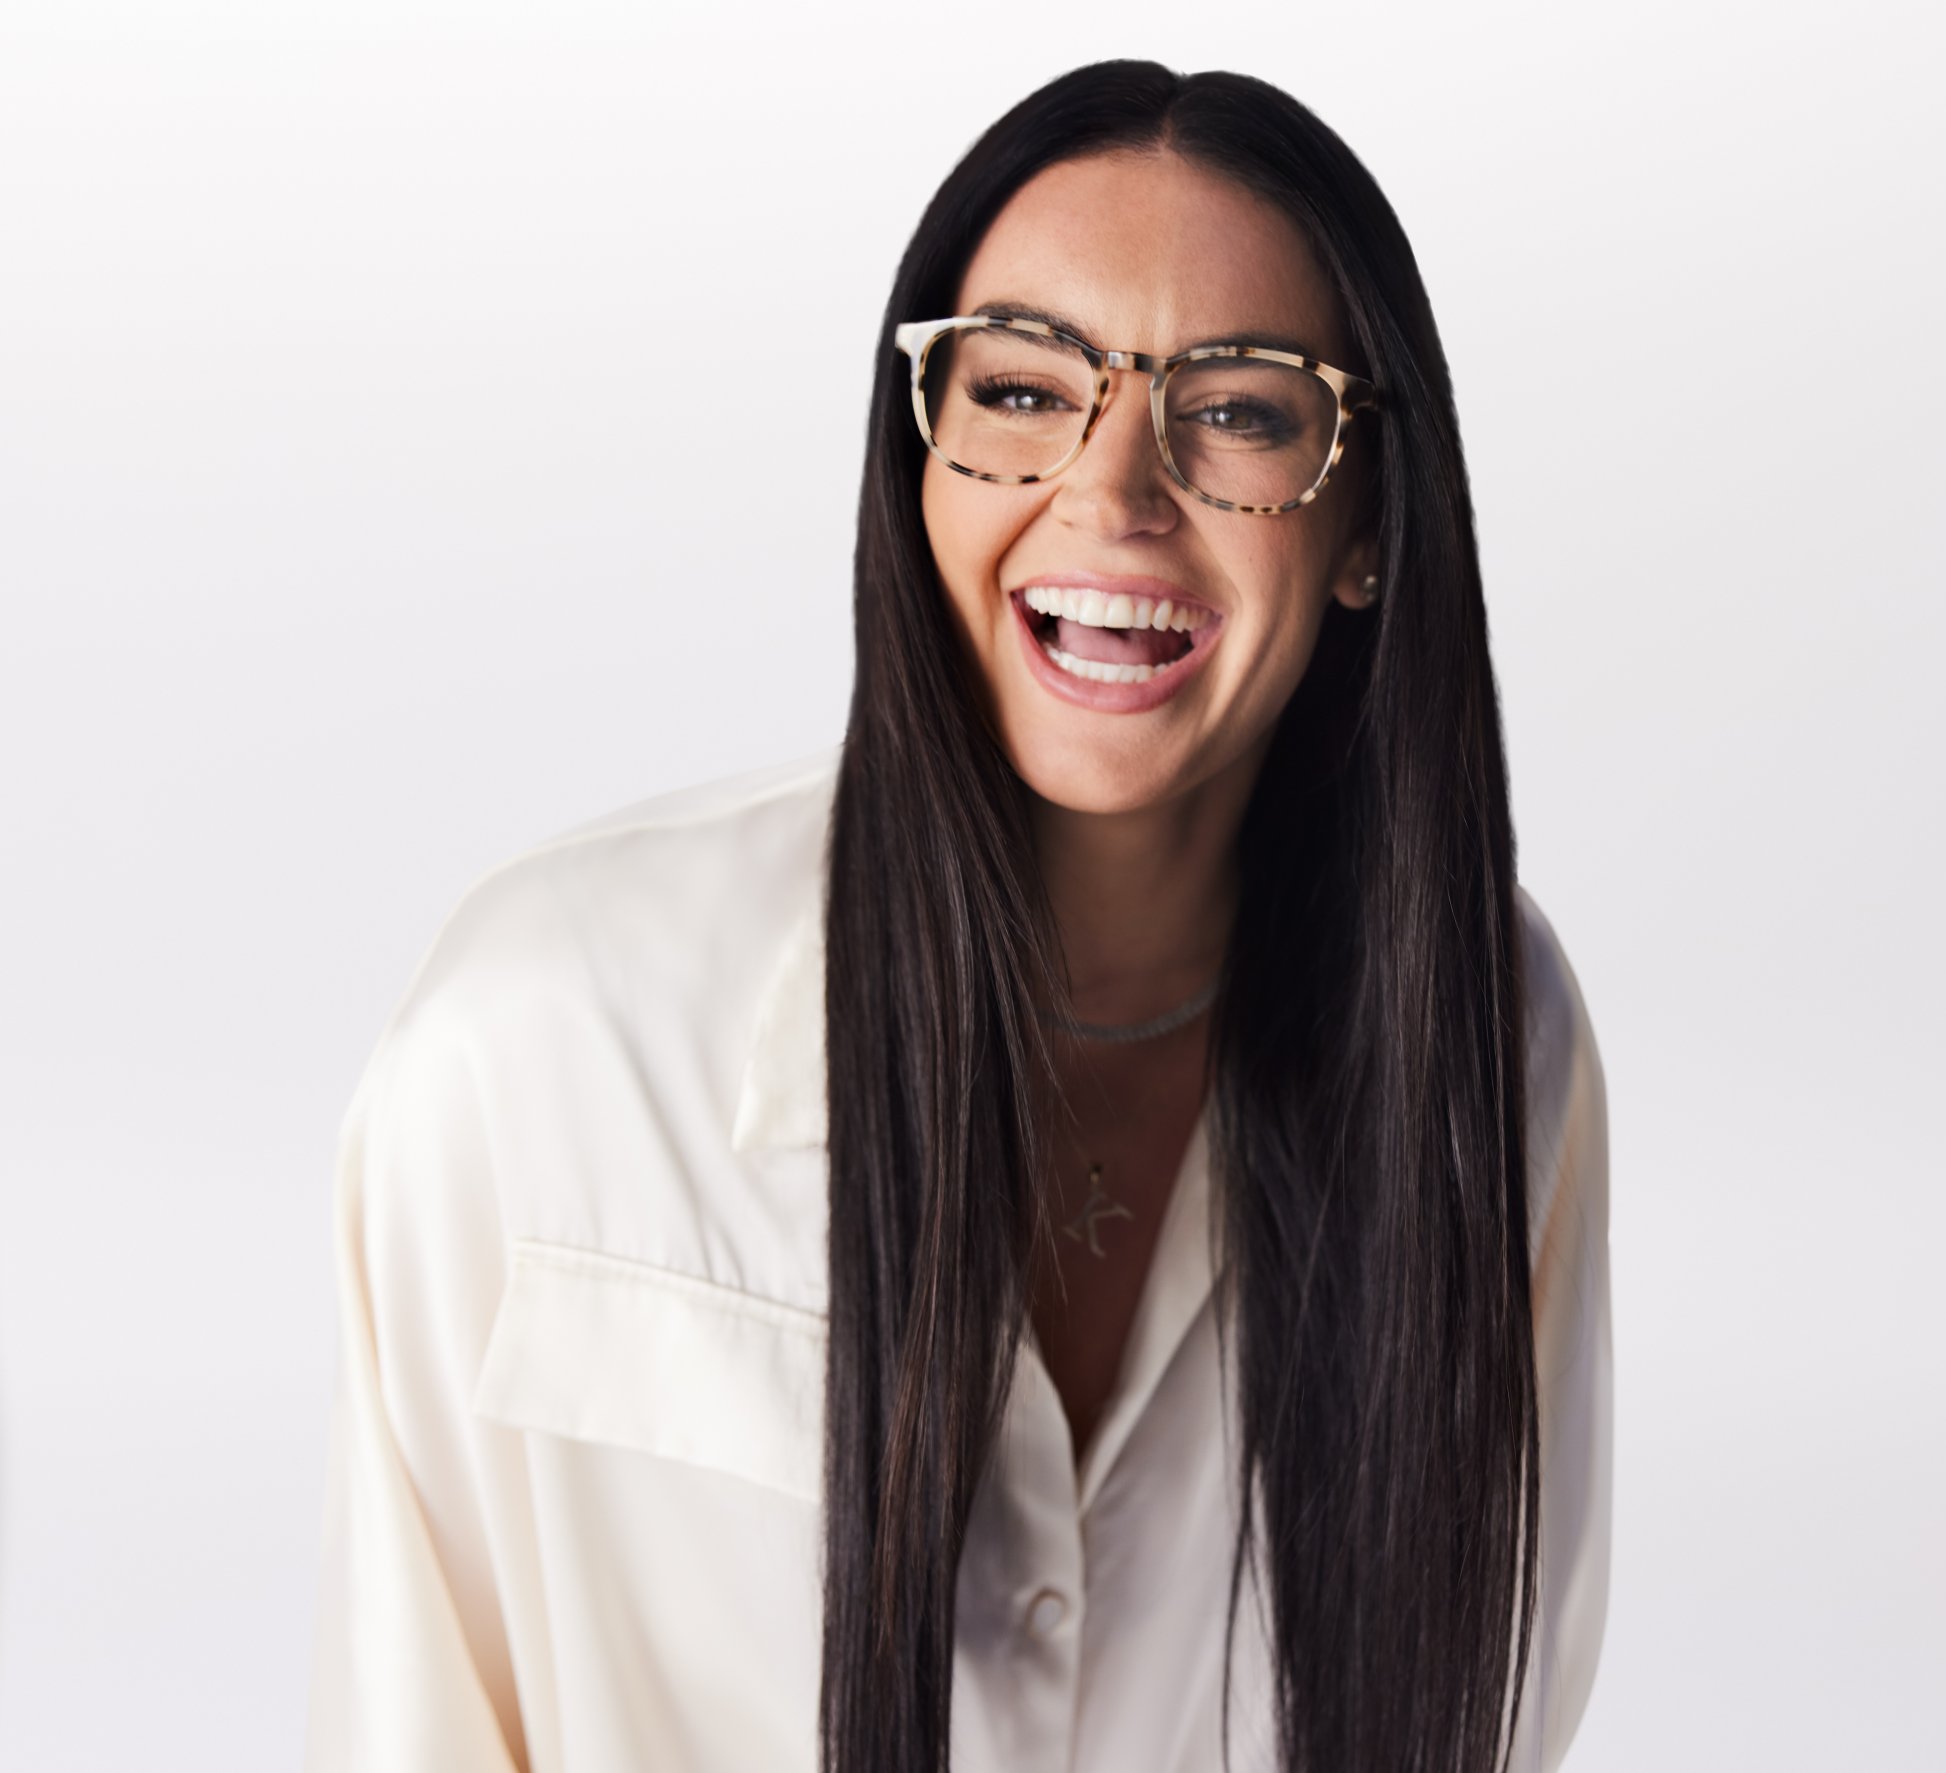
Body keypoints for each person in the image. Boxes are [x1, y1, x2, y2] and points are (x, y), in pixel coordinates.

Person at [306, 58, 1611, 1773]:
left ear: (1369, 521)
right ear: (919, 457)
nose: (1113, 492)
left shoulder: (1485, 1036)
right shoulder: (540, 1044)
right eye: (1019, 386)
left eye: (1241, 409)